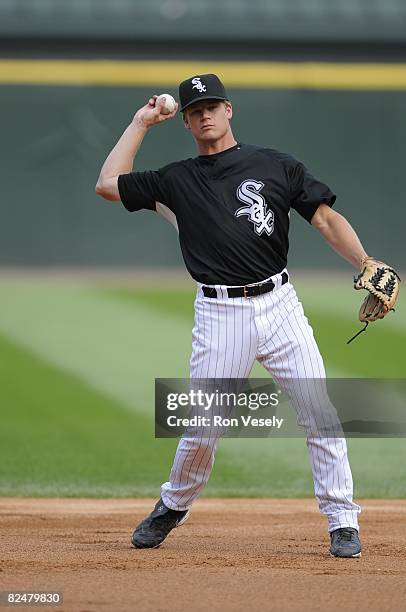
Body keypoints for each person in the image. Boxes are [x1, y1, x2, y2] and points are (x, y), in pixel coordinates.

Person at [96, 73, 365, 558]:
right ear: (187, 121)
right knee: (204, 425)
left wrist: (364, 262)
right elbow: (107, 185)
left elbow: (324, 217)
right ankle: (173, 504)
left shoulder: (275, 165)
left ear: (229, 110)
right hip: (221, 313)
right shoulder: (176, 180)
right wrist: (141, 123)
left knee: (320, 411)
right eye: (195, 109)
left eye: (212, 106)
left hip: (280, 304)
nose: (204, 114)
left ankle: (342, 519)